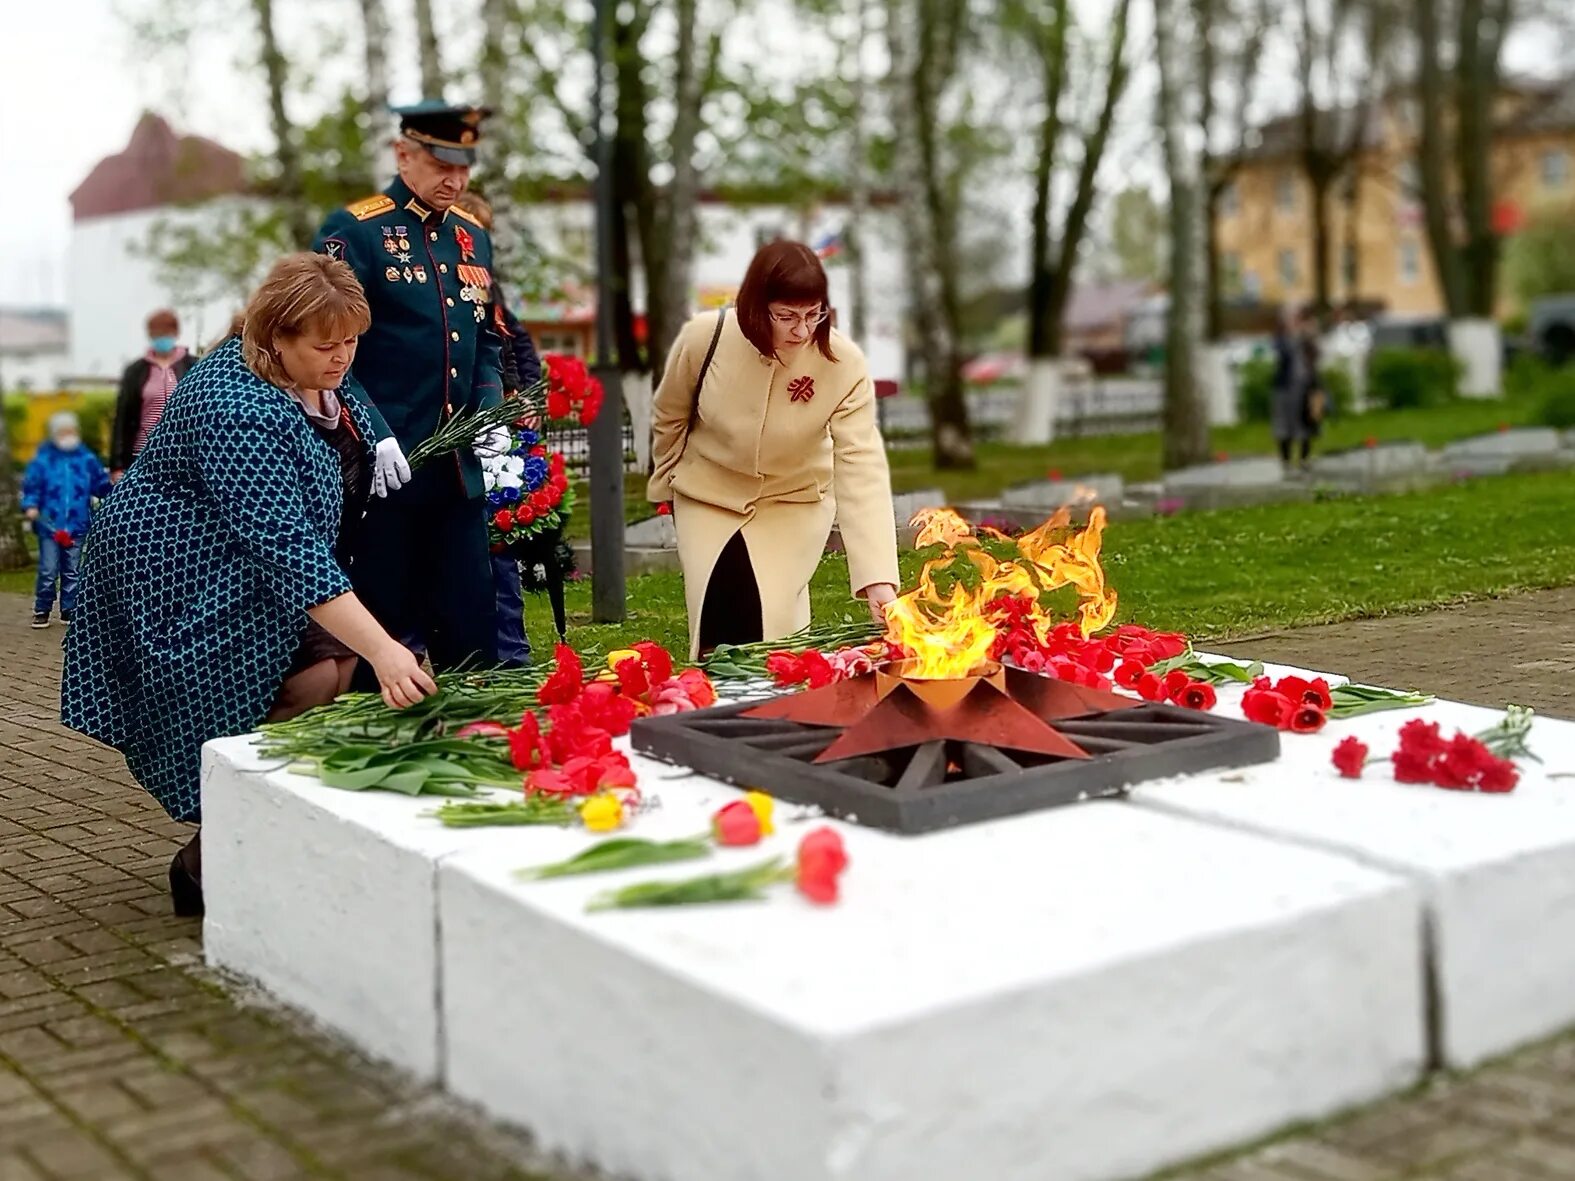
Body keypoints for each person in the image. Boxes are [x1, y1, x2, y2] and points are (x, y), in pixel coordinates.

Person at [61, 254, 435, 919]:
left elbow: (340, 421)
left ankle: (259, 837)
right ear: (274, 339)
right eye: (326, 345)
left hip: (244, 556)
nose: (342, 357)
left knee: (337, 667)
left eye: (351, 340)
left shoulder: (313, 373)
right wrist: (385, 648)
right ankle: (208, 861)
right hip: (175, 568)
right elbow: (285, 546)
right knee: (303, 681)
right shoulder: (237, 408)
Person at [313, 101, 505, 687]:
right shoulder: (356, 232)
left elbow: (485, 342)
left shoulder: (473, 239)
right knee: (384, 634)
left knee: (475, 634)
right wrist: (374, 433)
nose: (455, 179)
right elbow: (328, 354)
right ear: (403, 155)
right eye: (441, 163)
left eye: (465, 166)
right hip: (386, 476)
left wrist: (492, 414)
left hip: (457, 473)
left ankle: (472, 749)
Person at [648, 239, 900, 659]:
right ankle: (714, 706)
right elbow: (669, 416)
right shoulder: (703, 339)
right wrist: (665, 485)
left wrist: (878, 577)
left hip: (793, 500)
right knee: (718, 608)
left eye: (812, 314)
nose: (801, 330)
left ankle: (777, 706)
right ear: (754, 305)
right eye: (786, 316)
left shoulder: (844, 364)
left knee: (772, 622)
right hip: (708, 494)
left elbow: (861, 465)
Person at [453, 190, 544, 668]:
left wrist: (526, 394)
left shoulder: (487, 285)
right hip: (454, 429)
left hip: (498, 425)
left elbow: (517, 344)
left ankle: (510, 650)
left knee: (502, 540)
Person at [20, 412, 112, 628]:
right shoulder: (44, 460)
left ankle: (69, 608)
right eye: (63, 432)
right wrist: (31, 505)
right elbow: (32, 487)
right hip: (49, 525)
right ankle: (42, 608)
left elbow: (100, 484)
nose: (67, 436)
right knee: (49, 569)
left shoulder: (86, 459)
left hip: (77, 525)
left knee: (72, 570)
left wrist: (115, 493)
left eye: (70, 431)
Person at [110, 309, 197, 481]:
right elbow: (123, 418)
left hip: (181, 455)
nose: (161, 338)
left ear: (175, 333)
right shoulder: (136, 371)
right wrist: (117, 465)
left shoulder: (192, 366)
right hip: (141, 455)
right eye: (157, 334)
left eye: (165, 333)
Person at [1272, 304, 1325, 474]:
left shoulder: (1306, 339)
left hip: (1307, 387)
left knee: (1307, 423)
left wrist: (1310, 337)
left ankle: (1304, 459)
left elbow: (1317, 355)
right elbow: (1283, 353)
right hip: (1286, 388)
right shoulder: (1281, 338)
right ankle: (1286, 462)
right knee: (1284, 426)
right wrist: (1295, 336)